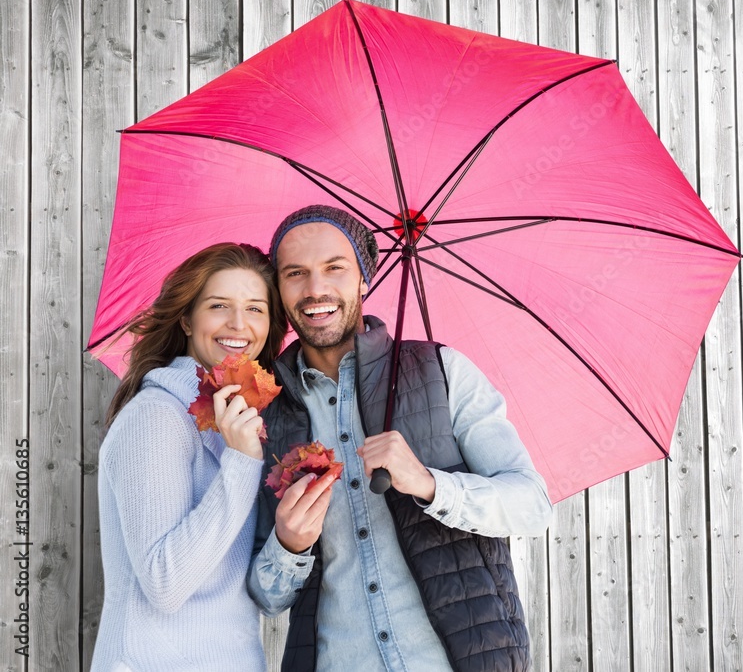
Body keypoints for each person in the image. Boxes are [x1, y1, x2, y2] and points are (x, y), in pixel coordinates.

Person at [248, 206, 553, 671]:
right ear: (280, 289)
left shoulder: (443, 372)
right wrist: (288, 544)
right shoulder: (265, 413)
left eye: (334, 268)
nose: (315, 290)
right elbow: (267, 598)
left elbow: (532, 506)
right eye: (296, 274)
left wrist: (432, 485)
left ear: (364, 279)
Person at [92, 243, 286, 672]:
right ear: (186, 318)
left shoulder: (239, 424)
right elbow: (165, 583)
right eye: (219, 305)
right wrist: (241, 463)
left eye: (255, 309)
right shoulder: (156, 417)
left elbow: (245, 584)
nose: (239, 324)